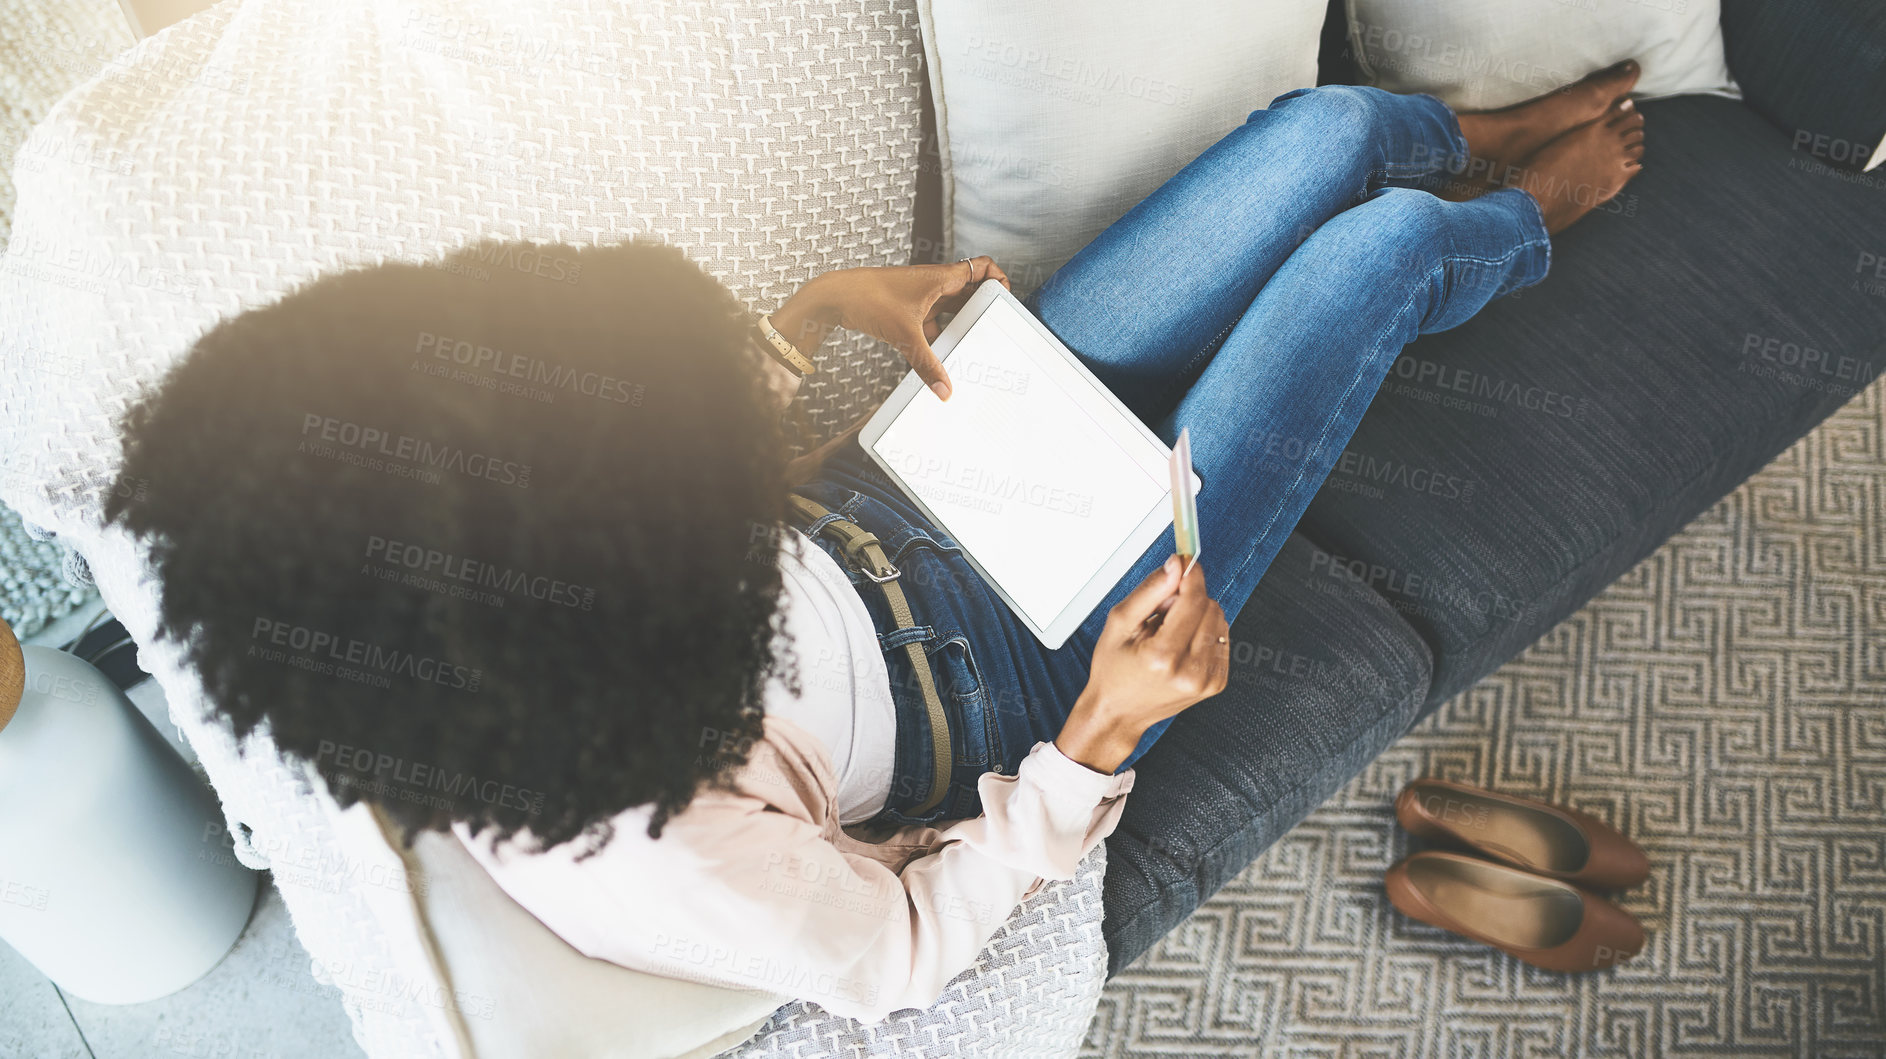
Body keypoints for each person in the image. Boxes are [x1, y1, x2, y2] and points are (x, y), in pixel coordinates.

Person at [107, 65, 1645, 1023]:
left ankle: (1450, 131)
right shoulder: (638, 856)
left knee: (1321, 135)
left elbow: (627, 439)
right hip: (1020, 665)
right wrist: (1096, 740)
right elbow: (905, 951)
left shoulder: (473, 510)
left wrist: (820, 316)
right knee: (1365, 259)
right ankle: (1512, 223)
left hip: (912, 483)